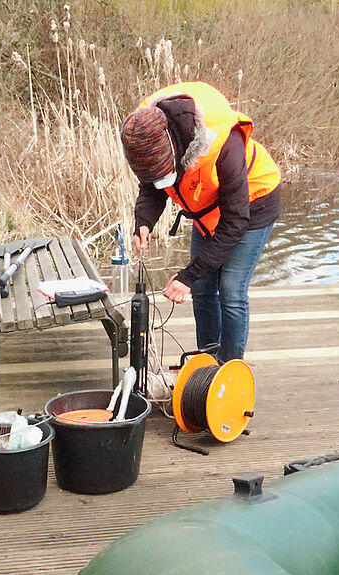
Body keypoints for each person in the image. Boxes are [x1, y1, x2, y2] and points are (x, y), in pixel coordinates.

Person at [120, 81, 282, 363]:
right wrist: (143, 222)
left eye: (166, 173)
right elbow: (151, 186)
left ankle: (230, 370)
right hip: (208, 210)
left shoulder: (224, 147)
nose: (162, 180)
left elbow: (234, 224)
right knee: (204, 289)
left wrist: (187, 276)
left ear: (179, 150)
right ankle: (209, 359)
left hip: (254, 203)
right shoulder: (147, 133)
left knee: (230, 289)